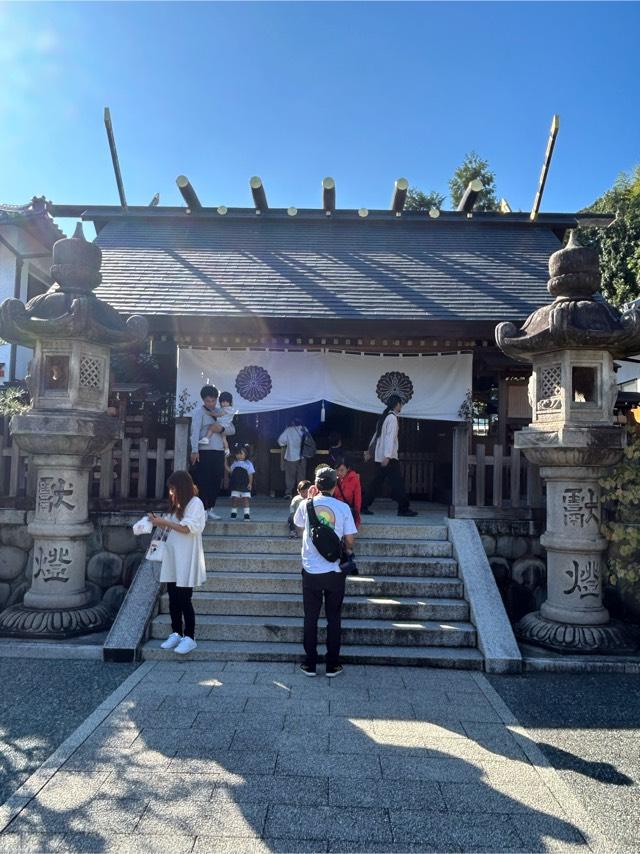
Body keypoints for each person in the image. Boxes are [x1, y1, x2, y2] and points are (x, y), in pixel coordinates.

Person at [293, 466, 357, 678]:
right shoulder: (342, 508)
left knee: (310, 617)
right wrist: (347, 552)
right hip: (335, 570)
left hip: (311, 569)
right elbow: (349, 540)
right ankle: (332, 664)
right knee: (334, 617)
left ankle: (310, 663)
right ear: (334, 484)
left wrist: (310, 500)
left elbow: (299, 526)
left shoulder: (305, 505)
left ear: (316, 484)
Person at [148, 470, 206, 655]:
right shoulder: (178, 504)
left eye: (173, 489)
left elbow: (187, 528)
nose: (171, 492)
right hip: (173, 556)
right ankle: (176, 632)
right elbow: (174, 526)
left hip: (186, 556)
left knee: (184, 598)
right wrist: (159, 521)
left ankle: (189, 636)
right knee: (173, 597)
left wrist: (164, 522)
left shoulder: (195, 503)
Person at [361, 394, 417, 518]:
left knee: (376, 483)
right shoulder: (392, 418)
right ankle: (403, 508)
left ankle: (363, 505)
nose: (401, 406)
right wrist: (387, 456)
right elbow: (389, 438)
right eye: (400, 404)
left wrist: (370, 452)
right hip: (389, 457)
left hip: (380, 456)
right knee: (397, 483)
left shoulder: (384, 417)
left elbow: (376, 436)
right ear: (397, 404)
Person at [190, 385, 236, 521]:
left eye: (213, 401)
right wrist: (194, 450)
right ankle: (203, 510)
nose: (210, 404)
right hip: (204, 451)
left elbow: (232, 429)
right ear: (203, 400)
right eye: (207, 401)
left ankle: (211, 509)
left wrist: (221, 429)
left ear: (217, 400)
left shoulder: (222, 411)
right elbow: (194, 432)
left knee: (217, 480)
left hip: (218, 451)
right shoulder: (199, 413)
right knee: (204, 481)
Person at [278, 418, 311, 498]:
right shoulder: (304, 429)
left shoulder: (289, 430)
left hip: (291, 456)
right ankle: (302, 493)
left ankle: (289, 493)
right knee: (301, 476)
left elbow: (280, 441)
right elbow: (308, 441)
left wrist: (287, 444)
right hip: (302, 456)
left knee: (290, 476)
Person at [202, 391, 236, 457]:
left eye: (226, 402)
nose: (224, 403)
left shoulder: (227, 409)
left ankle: (206, 438)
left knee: (211, 428)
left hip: (223, 424)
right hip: (225, 425)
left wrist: (211, 414)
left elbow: (219, 414)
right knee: (224, 438)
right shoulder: (229, 409)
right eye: (223, 402)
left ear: (230, 402)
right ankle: (227, 450)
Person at [226, 443, 255, 520]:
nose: (239, 455)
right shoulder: (235, 463)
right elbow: (230, 471)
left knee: (245, 499)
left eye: (241, 454)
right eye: (238, 454)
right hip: (236, 484)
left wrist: (250, 483)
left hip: (245, 484)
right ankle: (233, 513)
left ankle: (246, 514)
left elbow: (250, 474)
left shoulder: (248, 464)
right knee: (235, 499)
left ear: (246, 454)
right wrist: (225, 463)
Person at [334, 456, 362, 529]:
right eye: (337, 470)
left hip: (346, 512)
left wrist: (357, 517)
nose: (339, 473)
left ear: (348, 469)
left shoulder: (354, 479)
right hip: (333, 511)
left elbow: (357, 499)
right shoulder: (332, 478)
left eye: (342, 470)